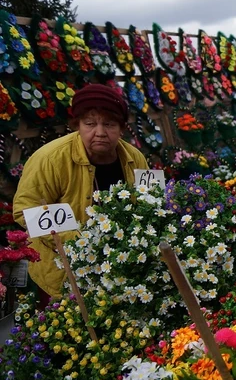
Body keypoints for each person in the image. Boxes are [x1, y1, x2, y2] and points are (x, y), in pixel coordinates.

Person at [13, 84, 149, 301]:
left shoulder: (135, 158)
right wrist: (81, 241)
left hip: (121, 269)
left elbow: (151, 203)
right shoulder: (50, 159)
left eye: (109, 124)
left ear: (122, 128)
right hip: (63, 273)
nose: (100, 133)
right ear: (77, 126)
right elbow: (26, 210)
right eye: (90, 124)